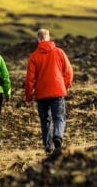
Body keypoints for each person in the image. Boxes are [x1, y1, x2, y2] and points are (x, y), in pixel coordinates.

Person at [25, 28, 73, 156]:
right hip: (57, 92)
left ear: (38, 39)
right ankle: (57, 136)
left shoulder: (34, 56)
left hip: (41, 94)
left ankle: (48, 147)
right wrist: (65, 86)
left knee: (45, 120)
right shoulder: (59, 52)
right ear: (49, 37)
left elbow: (29, 79)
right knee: (59, 117)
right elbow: (68, 72)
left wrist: (29, 97)